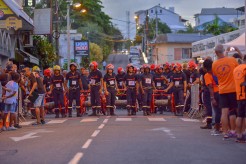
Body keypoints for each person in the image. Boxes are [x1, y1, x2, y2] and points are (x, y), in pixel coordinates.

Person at [212, 44, 238, 140]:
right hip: (233, 89)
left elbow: (216, 75)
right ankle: (235, 131)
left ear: (215, 52)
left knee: (224, 112)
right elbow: (237, 69)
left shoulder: (214, 64)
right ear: (223, 51)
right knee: (234, 111)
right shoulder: (232, 60)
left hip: (222, 89)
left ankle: (225, 132)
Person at [201, 59, 220, 131]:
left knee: (213, 109)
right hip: (221, 91)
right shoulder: (217, 72)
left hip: (214, 93)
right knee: (222, 110)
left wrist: (212, 98)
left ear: (205, 68)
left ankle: (214, 125)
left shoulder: (207, 75)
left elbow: (210, 87)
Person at [233, 55, 246, 143]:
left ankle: (238, 135)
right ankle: (244, 133)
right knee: (245, 116)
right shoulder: (245, 68)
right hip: (245, 94)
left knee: (239, 116)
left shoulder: (236, 69)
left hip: (238, 95)